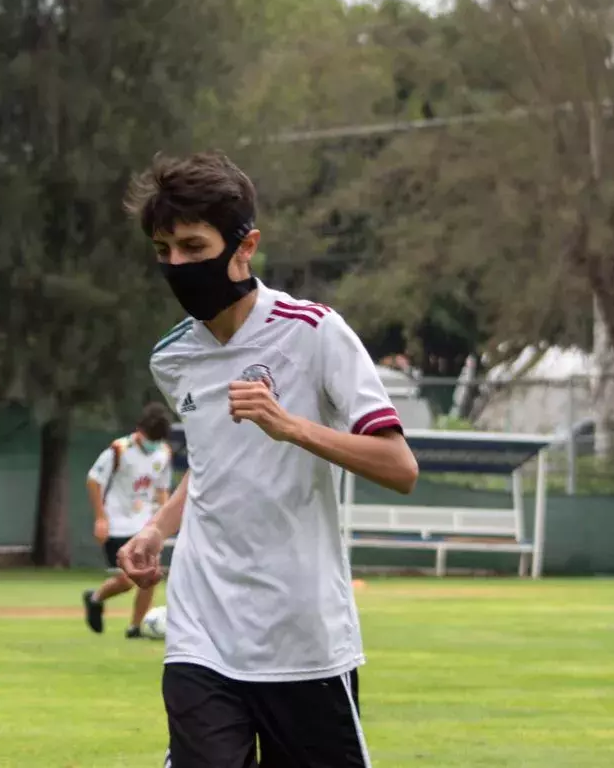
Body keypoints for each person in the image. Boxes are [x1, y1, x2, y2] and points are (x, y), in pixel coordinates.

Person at [115, 151, 419, 768]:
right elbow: (212, 464)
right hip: (202, 629)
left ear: (244, 246)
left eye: (194, 247)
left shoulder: (315, 333)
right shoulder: (172, 358)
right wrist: (155, 529)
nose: (177, 265)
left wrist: (292, 427)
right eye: (163, 250)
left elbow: (399, 466)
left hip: (301, 634)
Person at [81, 402, 174, 638]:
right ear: (139, 430)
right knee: (128, 578)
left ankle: (135, 627)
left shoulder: (163, 453)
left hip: (145, 523)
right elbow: (94, 480)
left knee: (151, 574)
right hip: (118, 522)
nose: (152, 443)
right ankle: (95, 598)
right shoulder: (119, 449)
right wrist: (100, 518)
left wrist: (164, 521)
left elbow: (162, 488)